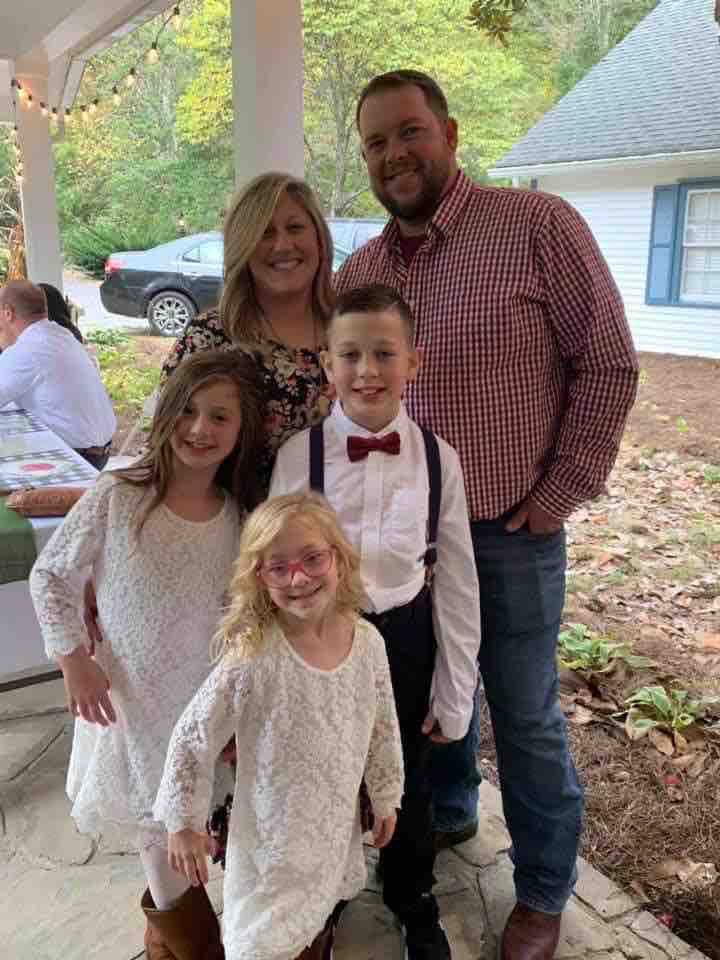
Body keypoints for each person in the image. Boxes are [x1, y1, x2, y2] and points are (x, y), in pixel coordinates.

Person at [336, 71, 639, 960]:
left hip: (509, 529)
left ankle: (543, 890)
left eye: (409, 132)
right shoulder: (362, 270)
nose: (394, 154)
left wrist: (557, 495)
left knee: (525, 715)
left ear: (451, 134)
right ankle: (453, 811)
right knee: (428, 694)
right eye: (376, 143)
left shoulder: (536, 226)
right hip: (402, 543)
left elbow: (608, 363)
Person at [29, 349, 266, 960]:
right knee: (156, 834)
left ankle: (168, 938)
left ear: (240, 432)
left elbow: (239, 615)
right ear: (165, 413)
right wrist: (73, 659)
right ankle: (196, 946)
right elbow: (51, 574)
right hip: (130, 704)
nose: (200, 428)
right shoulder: (120, 494)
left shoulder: (237, 518)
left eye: (220, 417)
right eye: (188, 411)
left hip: (197, 703)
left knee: (186, 830)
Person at [269, 284, 481, 960]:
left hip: (406, 637)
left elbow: (458, 582)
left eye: (384, 354)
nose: (367, 371)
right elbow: (270, 569)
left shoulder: (439, 460)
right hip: (322, 635)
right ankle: (320, 901)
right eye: (350, 355)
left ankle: (412, 896)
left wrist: (455, 691)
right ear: (327, 365)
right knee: (323, 771)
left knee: (409, 778)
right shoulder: (298, 457)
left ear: (413, 363)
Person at [154, 491, 404, 960]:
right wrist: (182, 822)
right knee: (259, 942)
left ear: (339, 558)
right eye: (279, 567)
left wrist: (386, 792)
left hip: (331, 825)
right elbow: (192, 735)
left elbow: (383, 725)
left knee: (319, 914)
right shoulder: (254, 656)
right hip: (271, 840)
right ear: (259, 577)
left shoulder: (368, 643)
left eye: (313, 558)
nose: (299, 578)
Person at [159, 171, 336, 493]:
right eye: (264, 233)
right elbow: (166, 451)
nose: (282, 245)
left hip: (349, 521)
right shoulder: (209, 338)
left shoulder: (352, 333)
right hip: (239, 523)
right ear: (243, 245)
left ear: (320, 239)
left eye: (295, 228)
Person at [0, 280, 115, 469]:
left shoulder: (29, 348)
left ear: (8, 313)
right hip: (100, 451)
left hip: (75, 457)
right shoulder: (61, 334)